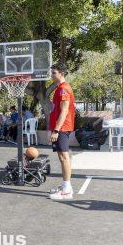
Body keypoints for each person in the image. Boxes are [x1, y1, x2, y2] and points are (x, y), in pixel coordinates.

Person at [48, 63, 76, 200]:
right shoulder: (59, 88)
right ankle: (66, 185)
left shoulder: (64, 89)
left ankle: (67, 189)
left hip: (62, 128)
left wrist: (56, 130)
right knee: (61, 156)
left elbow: (64, 111)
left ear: (62, 73)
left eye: (54, 73)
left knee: (64, 157)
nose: (51, 75)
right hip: (60, 127)